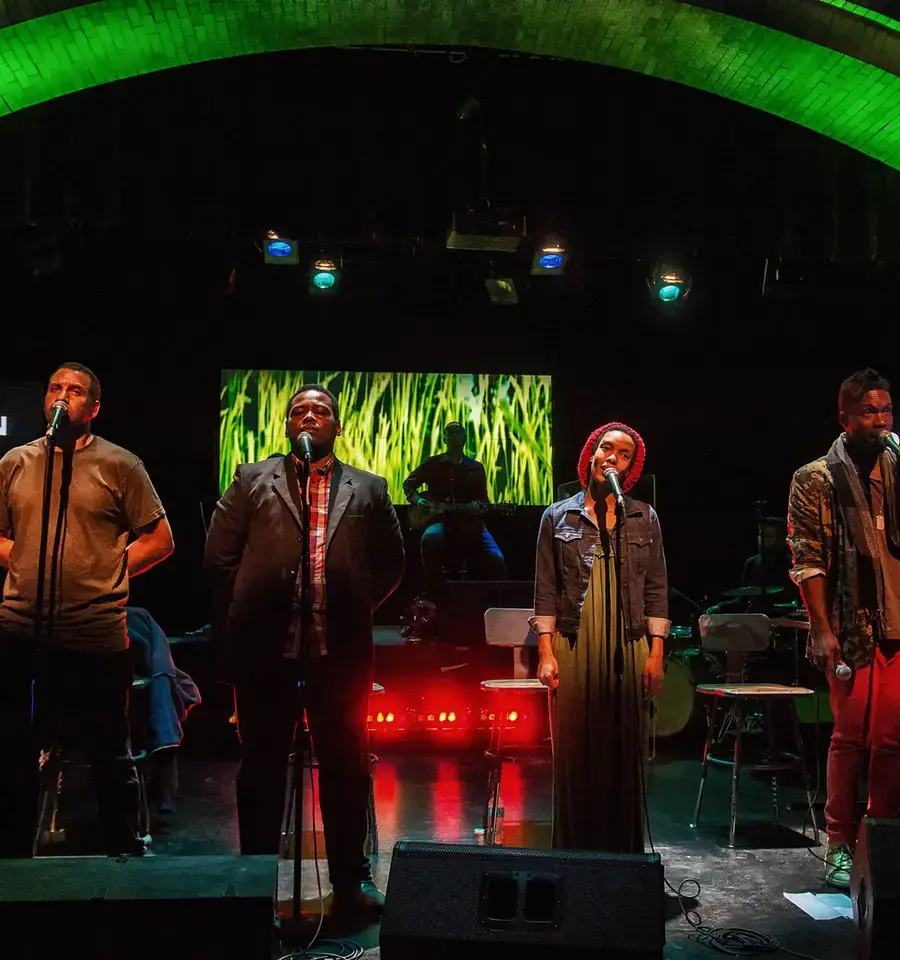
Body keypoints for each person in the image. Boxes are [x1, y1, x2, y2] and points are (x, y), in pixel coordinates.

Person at [205, 383, 404, 918]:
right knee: (261, 767)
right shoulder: (251, 479)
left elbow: (391, 564)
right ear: (286, 424)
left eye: (321, 411)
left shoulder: (369, 487)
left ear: (337, 427)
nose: (310, 417)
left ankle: (349, 884)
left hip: (337, 654)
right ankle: (255, 883)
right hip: (265, 652)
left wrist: (353, 601)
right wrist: (258, 604)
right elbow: (219, 558)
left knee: (346, 767)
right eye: (299, 410)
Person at [0, 362, 174, 858]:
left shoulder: (119, 464)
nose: (61, 396)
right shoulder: (16, 461)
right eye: (55, 388)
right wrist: (27, 560)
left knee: (108, 753)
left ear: (94, 408)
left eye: (74, 391)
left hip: (95, 635)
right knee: (13, 750)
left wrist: (111, 569)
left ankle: (122, 855)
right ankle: (12, 861)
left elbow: (160, 539)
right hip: (19, 629)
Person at [532, 422, 670, 852]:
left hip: (629, 640)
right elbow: (546, 590)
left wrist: (656, 653)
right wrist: (546, 653)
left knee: (624, 751)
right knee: (573, 752)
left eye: (624, 454)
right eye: (606, 449)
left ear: (631, 468)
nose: (613, 457)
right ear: (590, 455)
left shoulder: (642, 516)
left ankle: (624, 857)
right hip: (573, 640)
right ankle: (572, 855)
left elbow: (656, 588)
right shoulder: (557, 516)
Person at [788, 367, 900, 889]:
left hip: (897, 622)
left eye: (886, 410)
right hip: (852, 624)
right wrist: (821, 627)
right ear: (846, 418)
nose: (880, 420)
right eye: (869, 412)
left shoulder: (897, 466)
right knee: (851, 737)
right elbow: (807, 557)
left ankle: (880, 840)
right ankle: (837, 840)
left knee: (892, 739)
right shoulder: (816, 477)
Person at [402, 421, 506, 594]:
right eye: (450, 434)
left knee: (496, 558)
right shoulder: (433, 463)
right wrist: (418, 500)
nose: (454, 437)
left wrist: (479, 508)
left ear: (464, 439)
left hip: (470, 523)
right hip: (439, 521)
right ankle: (434, 593)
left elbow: (483, 501)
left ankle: (491, 601)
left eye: (458, 434)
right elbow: (408, 485)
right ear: (444, 439)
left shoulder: (475, 468)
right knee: (430, 539)